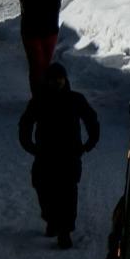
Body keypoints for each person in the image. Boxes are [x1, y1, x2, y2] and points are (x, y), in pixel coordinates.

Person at [15, 63, 100, 248]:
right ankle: (51, 220)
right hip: (45, 155)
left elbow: (91, 120)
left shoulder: (76, 99)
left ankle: (65, 231)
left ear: (65, 79)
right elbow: (26, 123)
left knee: (67, 193)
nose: (57, 82)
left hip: (70, 155)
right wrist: (30, 146)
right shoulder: (38, 100)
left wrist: (89, 143)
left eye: (60, 78)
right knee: (43, 188)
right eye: (53, 79)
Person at [0, 0, 80, 89]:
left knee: (45, 65)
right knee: (37, 67)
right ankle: (38, 98)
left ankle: (45, 94)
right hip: (31, 34)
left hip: (50, 33)